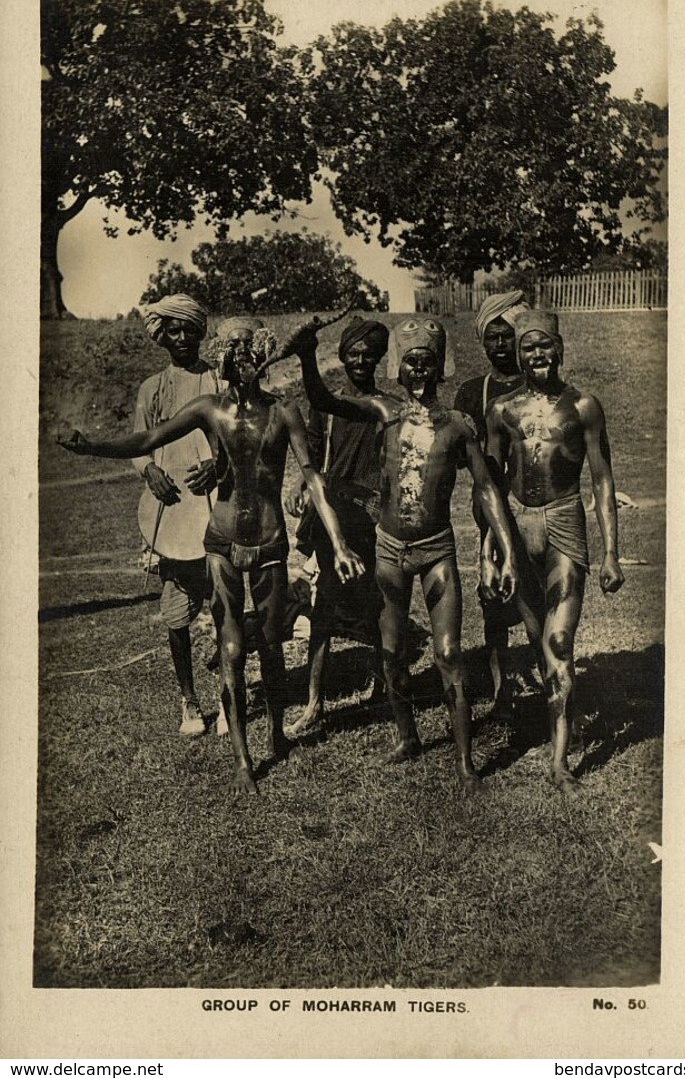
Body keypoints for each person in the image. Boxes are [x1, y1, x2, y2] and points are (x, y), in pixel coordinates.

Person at [59, 317, 364, 795]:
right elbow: (146, 441)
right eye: (233, 349)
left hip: (268, 546)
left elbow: (314, 477)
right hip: (219, 542)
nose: (241, 357)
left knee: (269, 644)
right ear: (221, 354)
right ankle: (244, 758)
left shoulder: (284, 412)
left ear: (264, 352)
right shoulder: (207, 409)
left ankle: (277, 733)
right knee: (231, 647)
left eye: (249, 348)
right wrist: (91, 447)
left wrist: (340, 543)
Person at [283, 315, 518, 794]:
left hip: (436, 551)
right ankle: (408, 738)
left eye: (426, 362)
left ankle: (466, 763)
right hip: (390, 550)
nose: (418, 370)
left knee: (449, 654)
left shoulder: (457, 426)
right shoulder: (382, 412)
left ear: (438, 368)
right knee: (390, 655)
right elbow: (326, 400)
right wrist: (308, 355)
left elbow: (487, 489)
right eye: (410, 361)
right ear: (400, 367)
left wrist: (507, 551)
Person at [482, 310, 625, 794]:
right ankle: (564, 716)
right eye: (528, 347)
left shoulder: (583, 406)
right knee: (536, 634)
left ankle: (558, 762)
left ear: (559, 349)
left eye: (545, 346)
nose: (537, 355)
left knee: (560, 644)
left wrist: (611, 553)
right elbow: (493, 486)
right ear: (518, 354)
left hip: (565, 525)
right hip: (518, 533)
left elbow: (602, 479)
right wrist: (491, 548)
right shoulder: (501, 410)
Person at [284, 317, 389, 734]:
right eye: (353, 353)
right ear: (343, 357)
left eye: (368, 352)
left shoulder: (386, 406)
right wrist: (300, 484)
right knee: (323, 608)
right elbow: (310, 450)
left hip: (372, 519)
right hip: (333, 518)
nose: (361, 359)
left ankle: (385, 689)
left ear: (379, 356)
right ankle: (314, 704)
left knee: (378, 606)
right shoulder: (327, 406)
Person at [133, 293, 218, 737]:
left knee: (226, 606)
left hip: (215, 507)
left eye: (189, 328)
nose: (182, 337)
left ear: (201, 332)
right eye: (173, 330)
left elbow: (235, 435)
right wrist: (150, 472)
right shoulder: (152, 388)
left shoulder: (218, 381)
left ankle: (229, 695)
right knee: (177, 613)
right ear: (161, 336)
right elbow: (140, 443)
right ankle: (190, 701)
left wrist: (217, 465)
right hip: (173, 514)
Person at [453, 290, 529, 719]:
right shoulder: (471, 392)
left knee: (535, 594)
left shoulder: (534, 383)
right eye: (493, 338)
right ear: (483, 342)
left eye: (508, 336)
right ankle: (502, 690)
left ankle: (548, 678)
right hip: (490, 507)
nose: (500, 345)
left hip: (532, 504)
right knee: (494, 600)